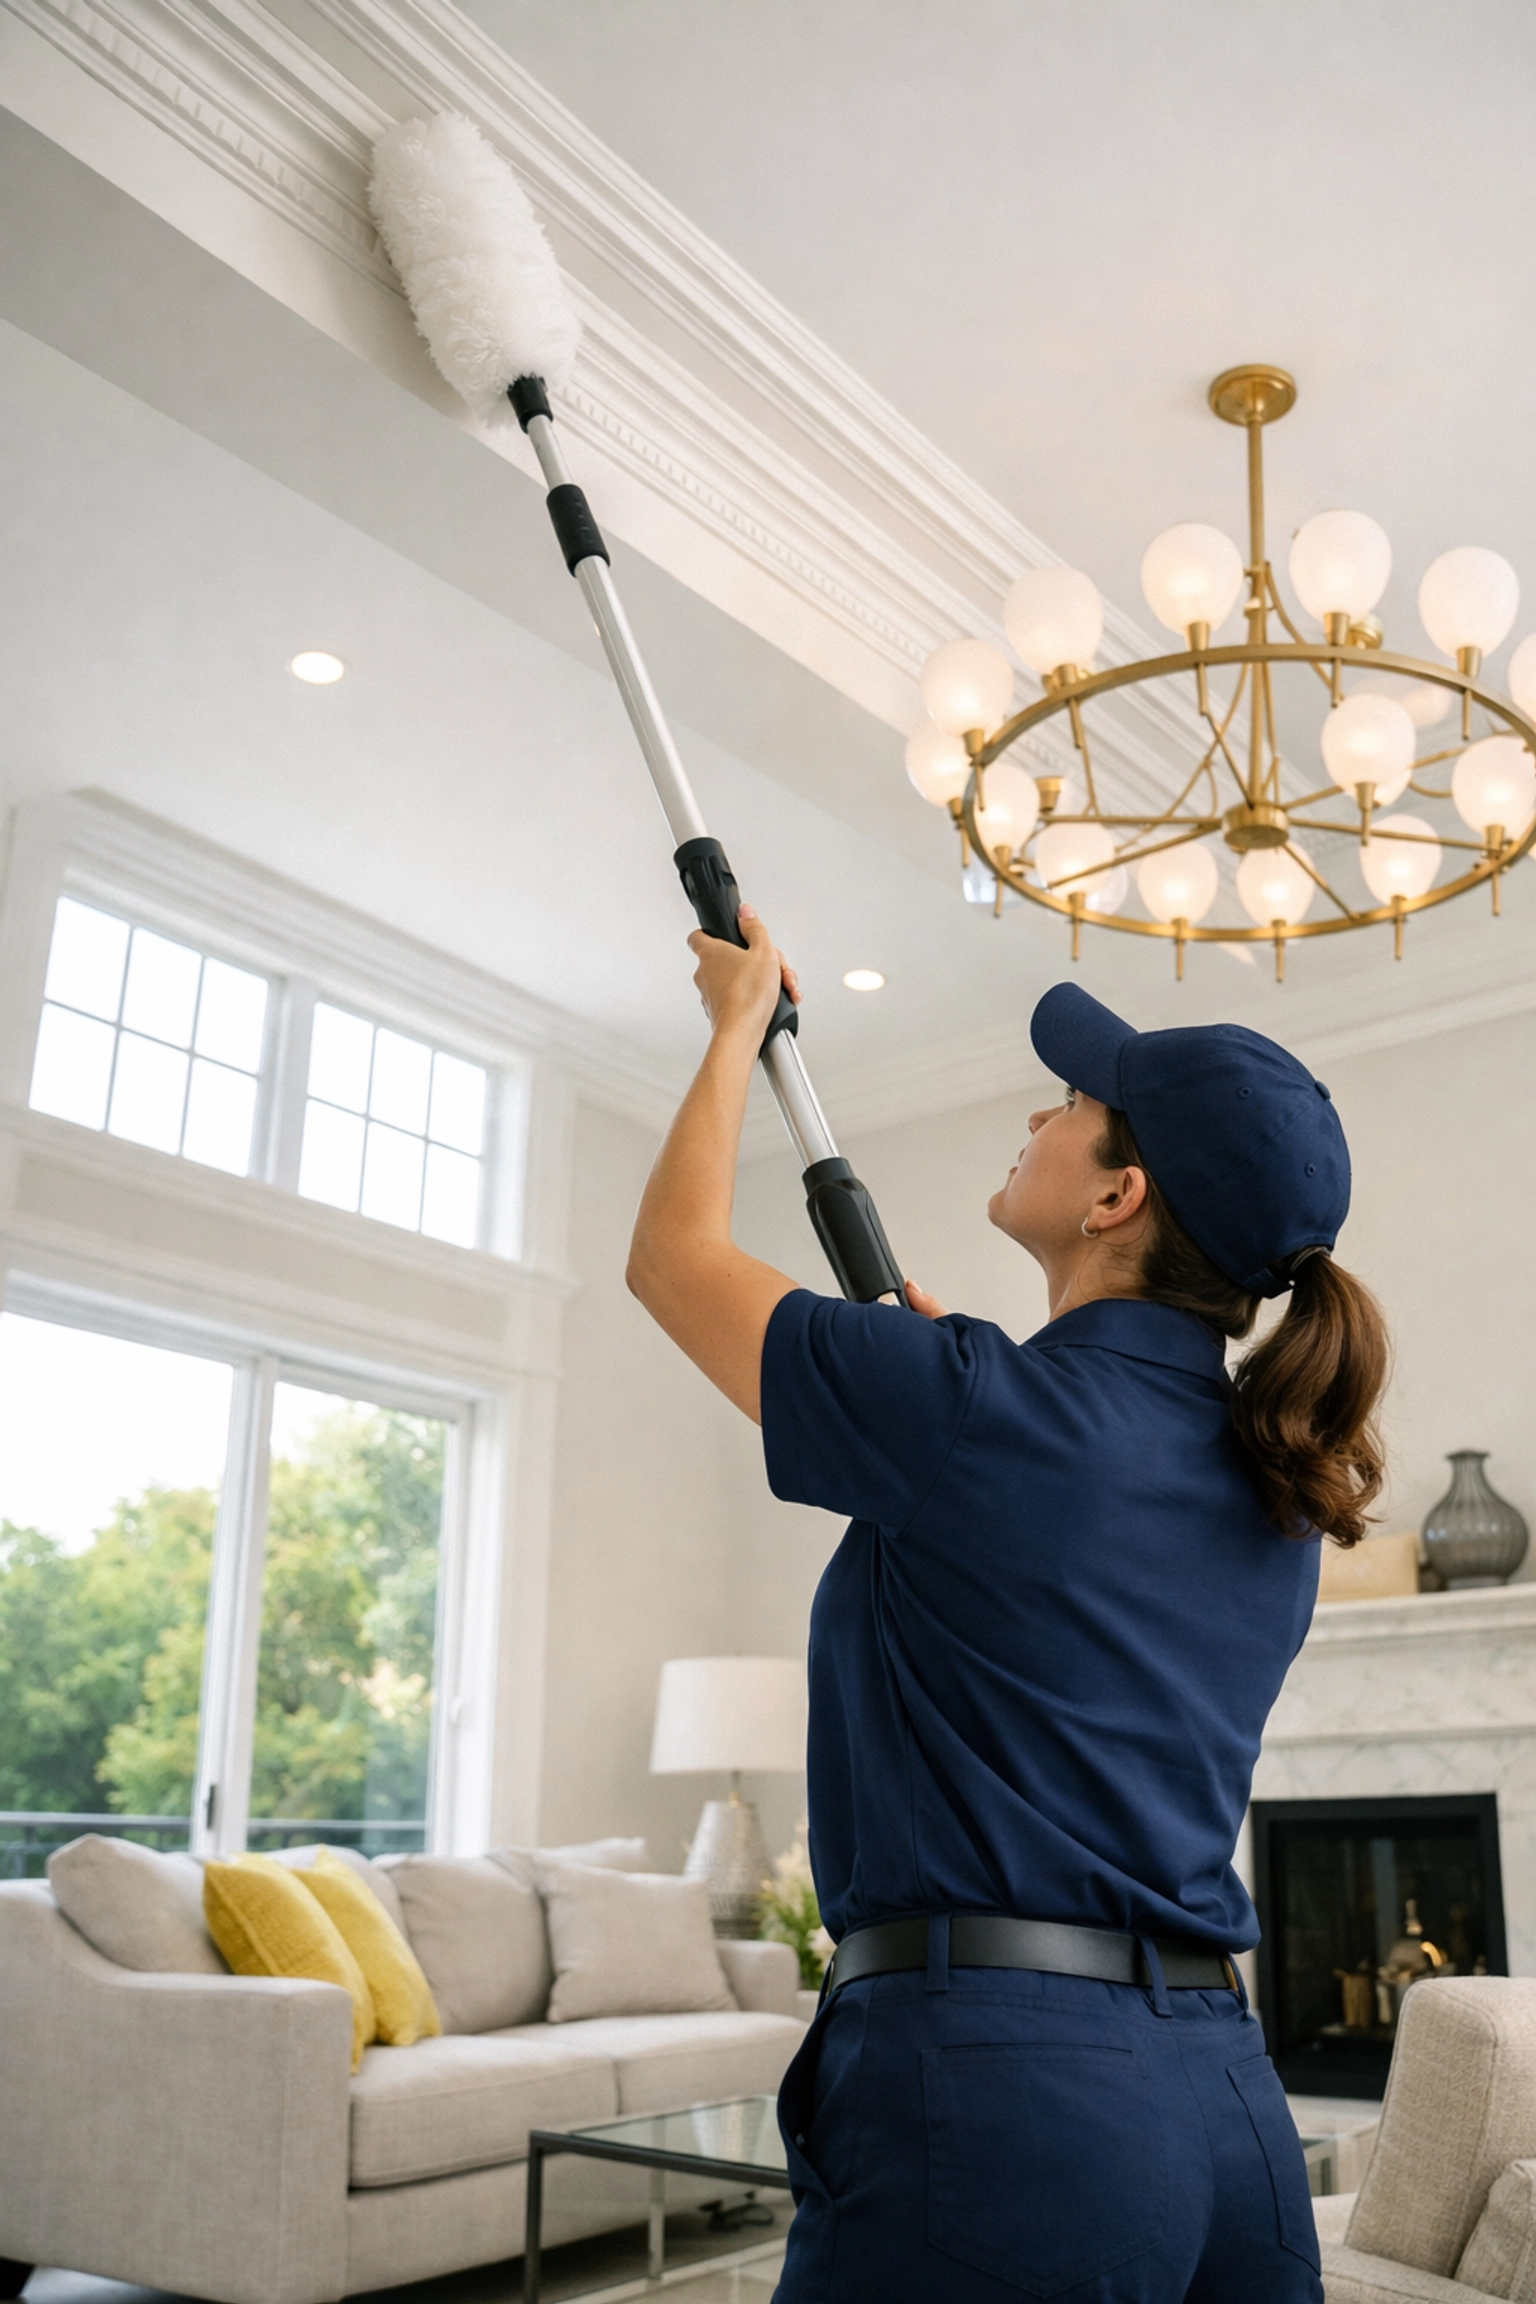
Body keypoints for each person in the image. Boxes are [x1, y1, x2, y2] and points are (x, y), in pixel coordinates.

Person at [627, 905, 1389, 2304]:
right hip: (1225, 2115)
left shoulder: (974, 1413)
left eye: (1077, 1102)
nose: (1044, 1111)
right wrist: (926, 1395)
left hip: (1000, 2108)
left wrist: (736, 1021)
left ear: (1117, 1197)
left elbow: (670, 1263)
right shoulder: (1275, 1495)